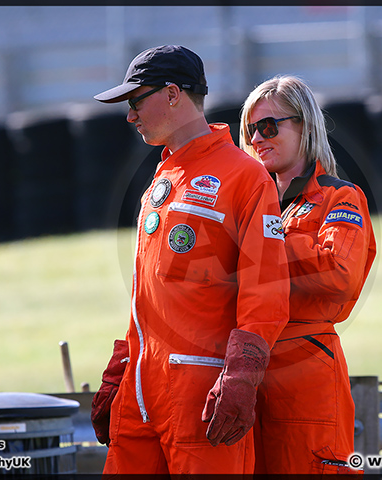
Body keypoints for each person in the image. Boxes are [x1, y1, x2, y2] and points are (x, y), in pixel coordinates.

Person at [89, 45, 290, 475]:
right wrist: (122, 367)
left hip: (203, 394)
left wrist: (241, 375)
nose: (130, 114)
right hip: (141, 390)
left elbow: (266, 289)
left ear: (174, 94)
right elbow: (152, 292)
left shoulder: (245, 176)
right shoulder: (162, 175)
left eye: (136, 100)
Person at [239, 75, 377, 474]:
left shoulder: (340, 196)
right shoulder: (244, 206)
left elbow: (337, 272)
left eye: (268, 125)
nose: (257, 138)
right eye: (250, 130)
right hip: (242, 372)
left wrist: (263, 241)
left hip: (306, 378)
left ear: (305, 125)